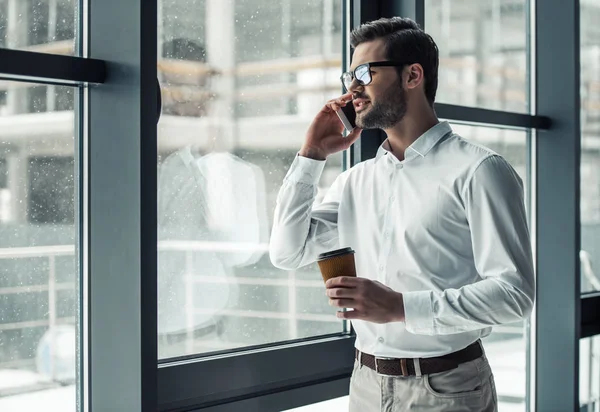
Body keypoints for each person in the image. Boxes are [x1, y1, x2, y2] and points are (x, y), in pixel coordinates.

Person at [269, 17, 534, 412]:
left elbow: (515, 295)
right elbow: (287, 253)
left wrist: (401, 307)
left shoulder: (480, 170)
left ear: (412, 75)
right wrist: (311, 156)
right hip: (365, 384)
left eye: (364, 73)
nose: (352, 89)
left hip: (448, 390)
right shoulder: (355, 181)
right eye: (349, 77)